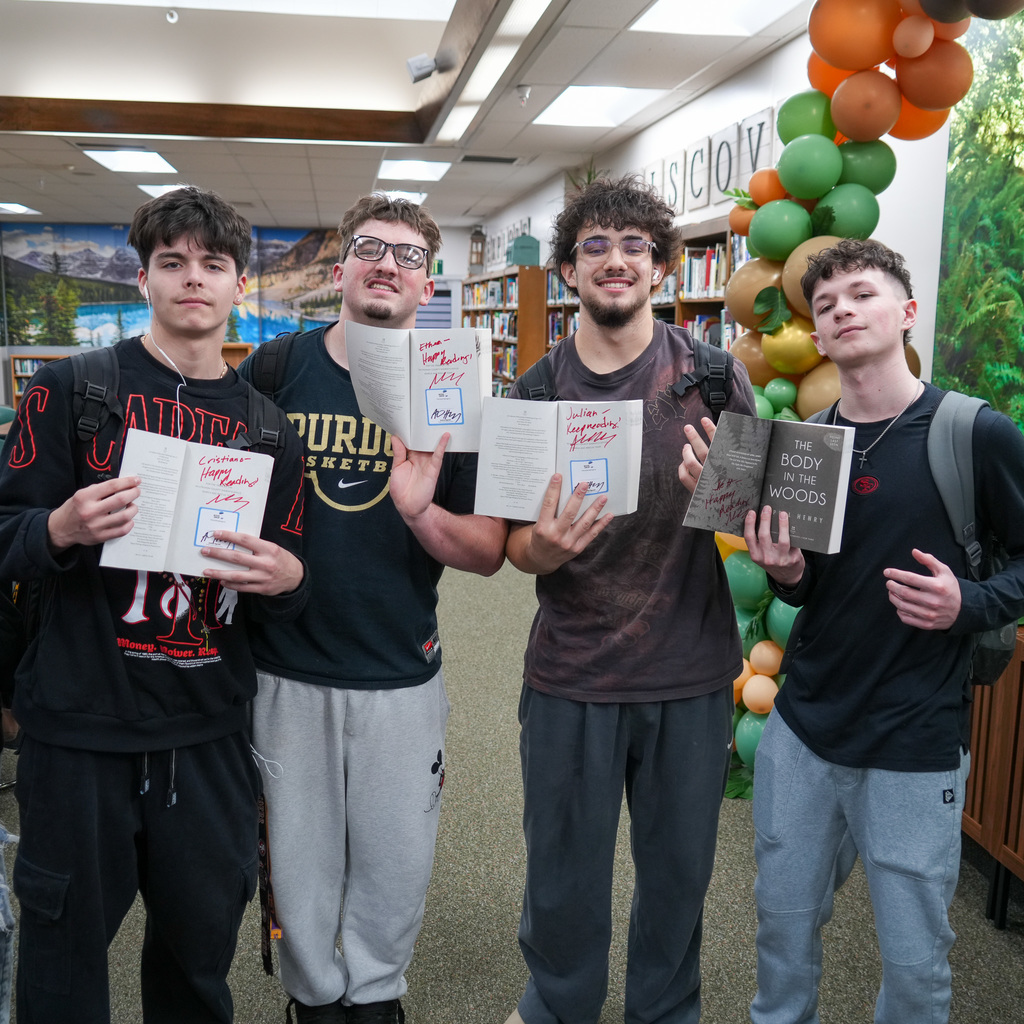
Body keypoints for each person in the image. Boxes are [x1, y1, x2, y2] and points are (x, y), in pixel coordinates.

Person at [682, 238, 1024, 1024]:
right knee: (783, 930)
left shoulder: (975, 433)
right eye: (827, 304)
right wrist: (785, 571)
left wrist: (967, 606)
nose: (841, 310)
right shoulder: (805, 446)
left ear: (906, 314)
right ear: (820, 334)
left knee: (914, 962)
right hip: (804, 731)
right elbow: (812, 588)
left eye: (862, 294)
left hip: (914, 740)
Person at [0, 185, 309, 1023]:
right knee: (61, 964)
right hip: (79, 728)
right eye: (173, 263)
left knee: (197, 962)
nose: (193, 280)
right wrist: (57, 526)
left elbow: (284, 580)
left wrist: (288, 581)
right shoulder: (71, 392)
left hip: (205, 735)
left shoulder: (270, 432)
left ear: (239, 284)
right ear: (144, 279)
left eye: (213, 264)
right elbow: (5, 531)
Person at [236, 193, 507, 1024]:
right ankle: (313, 1001)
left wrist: (422, 510)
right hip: (285, 668)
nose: (387, 263)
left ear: (429, 287)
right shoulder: (273, 370)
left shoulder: (453, 389)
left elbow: (490, 552)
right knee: (300, 858)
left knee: (396, 859)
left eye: (410, 256)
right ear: (342, 269)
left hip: (399, 668)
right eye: (369, 248)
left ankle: (378, 994)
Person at [501, 175, 756, 1024]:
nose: (616, 261)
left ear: (661, 268)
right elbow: (510, 548)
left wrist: (725, 499)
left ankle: (663, 1013)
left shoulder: (715, 380)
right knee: (564, 878)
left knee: (680, 877)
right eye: (595, 247)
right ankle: (560, 1007)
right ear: (569, 270)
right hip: (572, 672)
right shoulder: (532, 392)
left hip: (689, 675)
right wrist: (546, 545)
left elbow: (759, 528)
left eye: (635, 246)